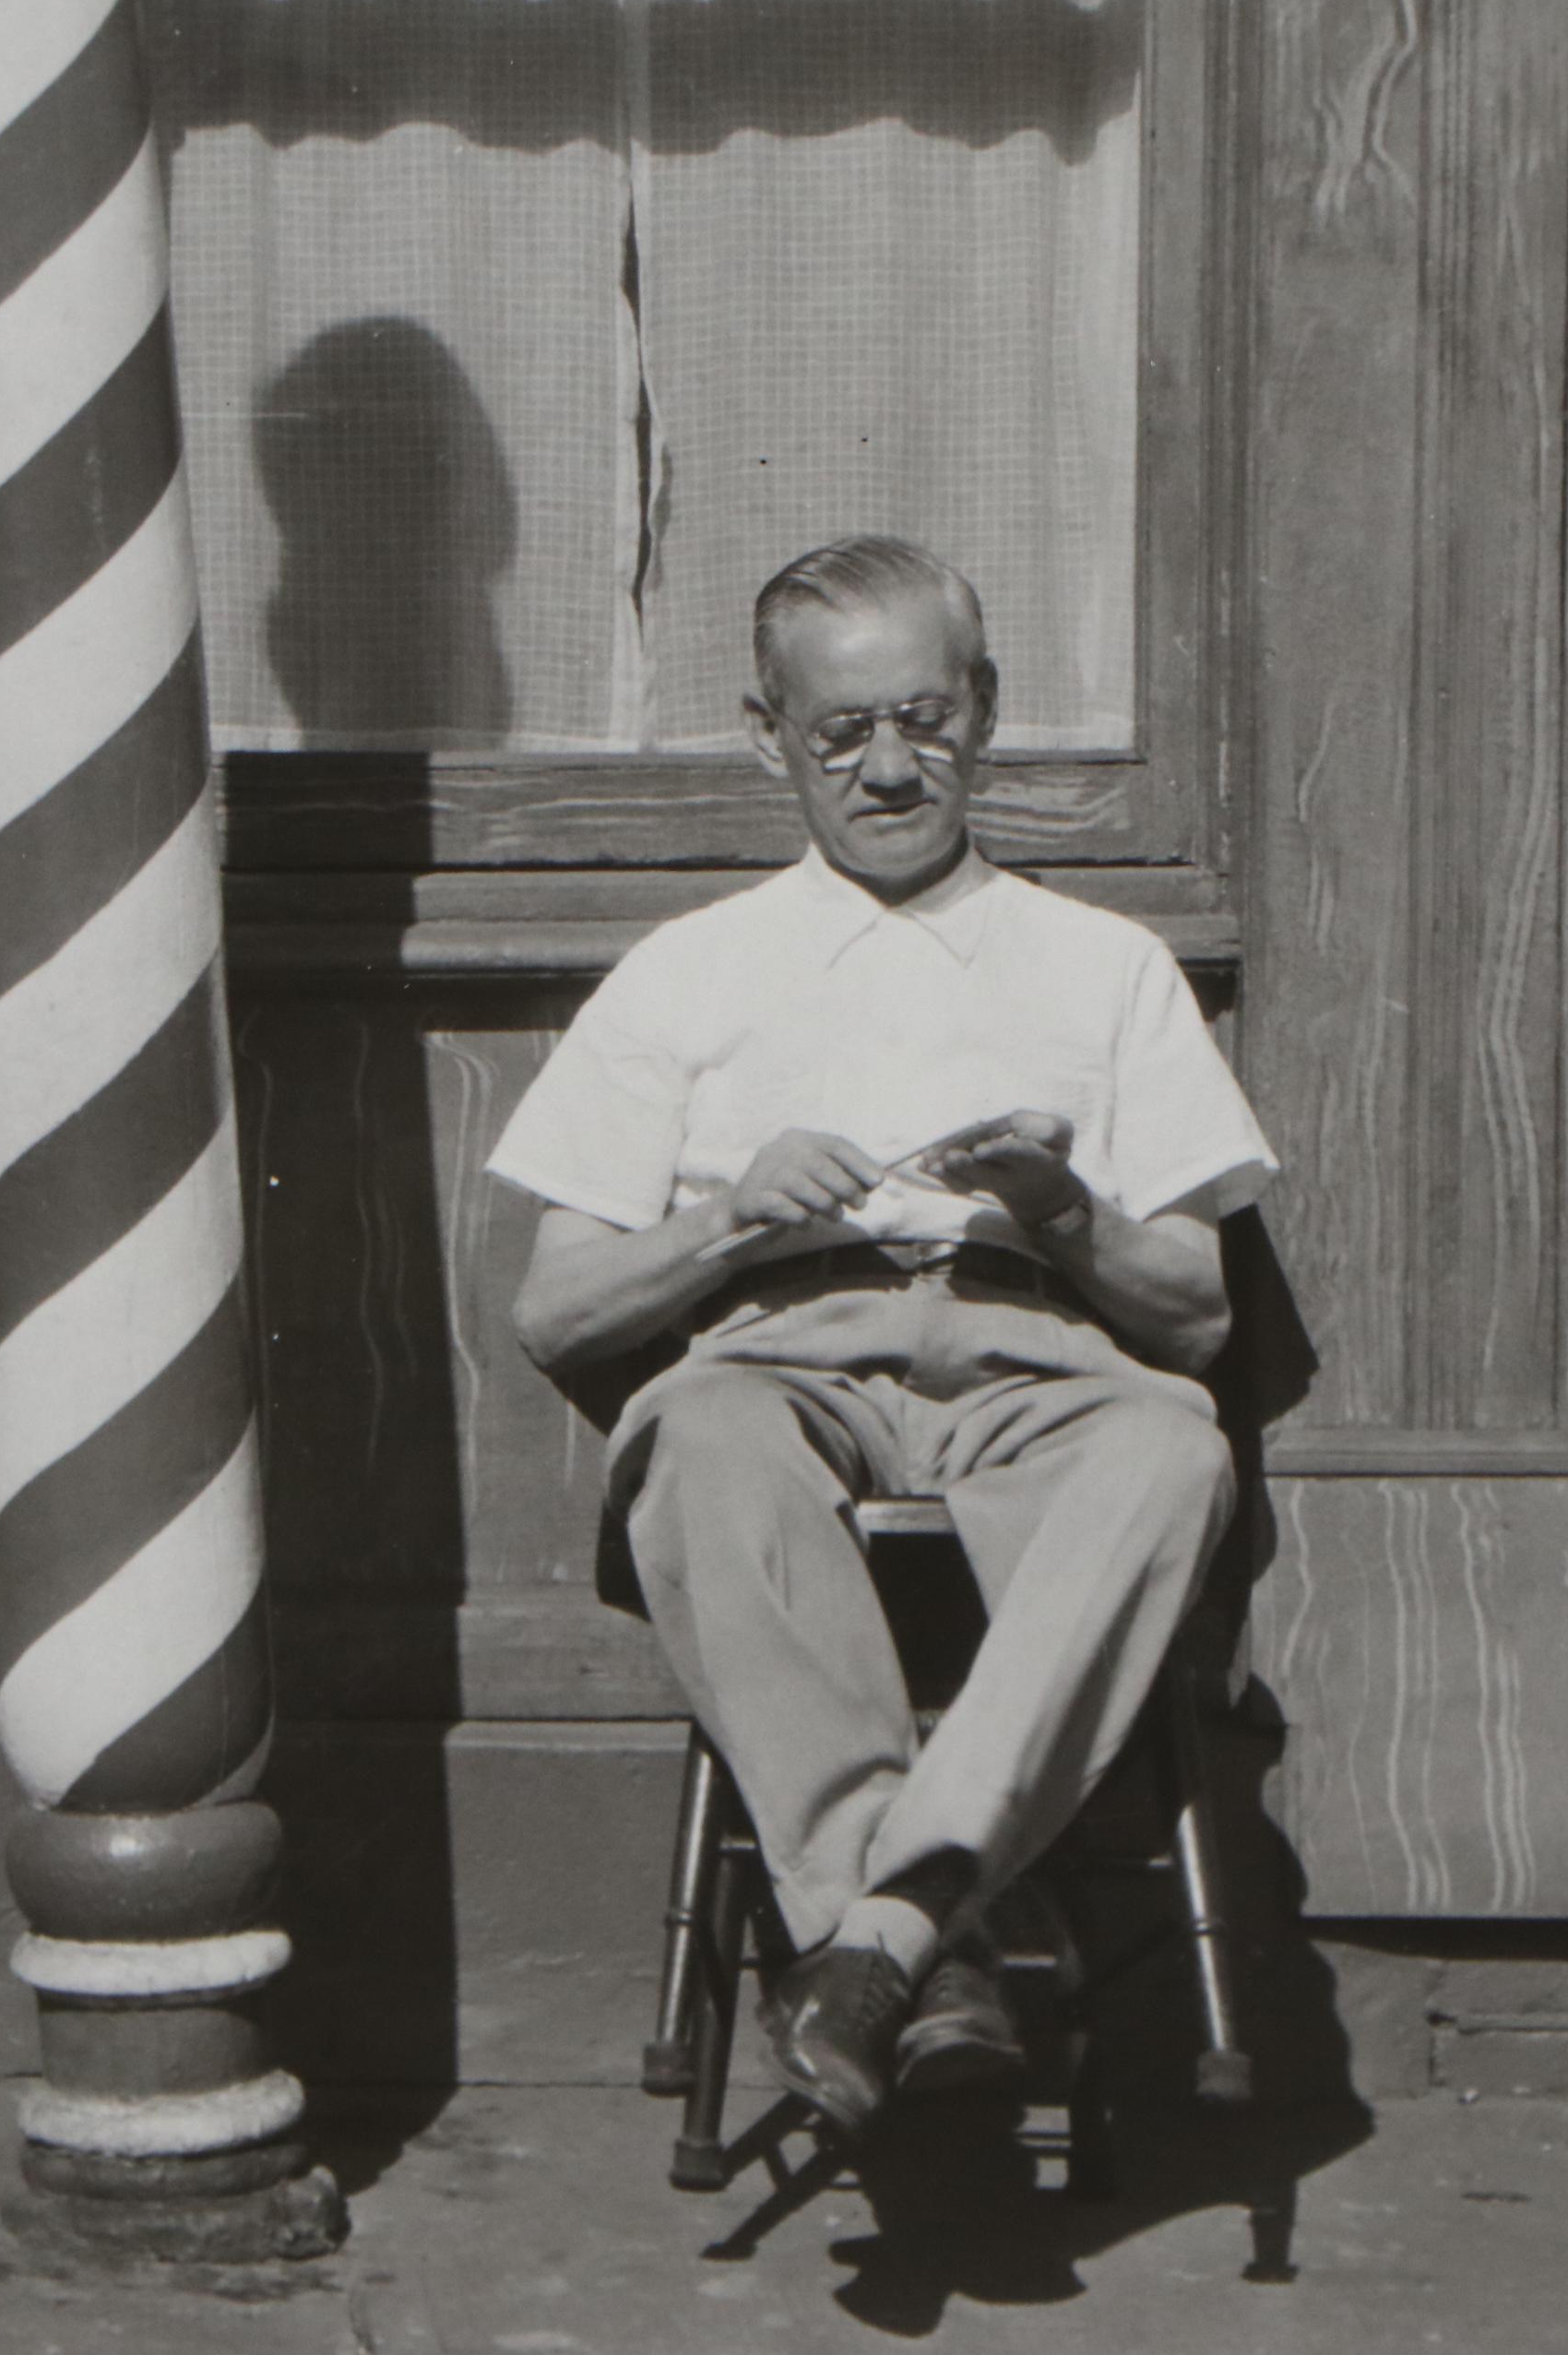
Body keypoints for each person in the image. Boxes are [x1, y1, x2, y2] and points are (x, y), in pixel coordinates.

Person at [482, 536, 1276, 2136]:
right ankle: (933, 1933)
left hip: (1041, 1359)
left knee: (1172, 1455)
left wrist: (1066, 1212)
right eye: (843, 732)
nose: (893, 769)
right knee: (699, 1438)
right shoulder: (690, 972)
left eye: (927, 718)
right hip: (784, 1354)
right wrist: (730, 1224)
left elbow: (1197, 1320)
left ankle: (877, 1943)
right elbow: (555, 1312)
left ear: (986, 710)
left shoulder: (1105, 967)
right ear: (768, 735)